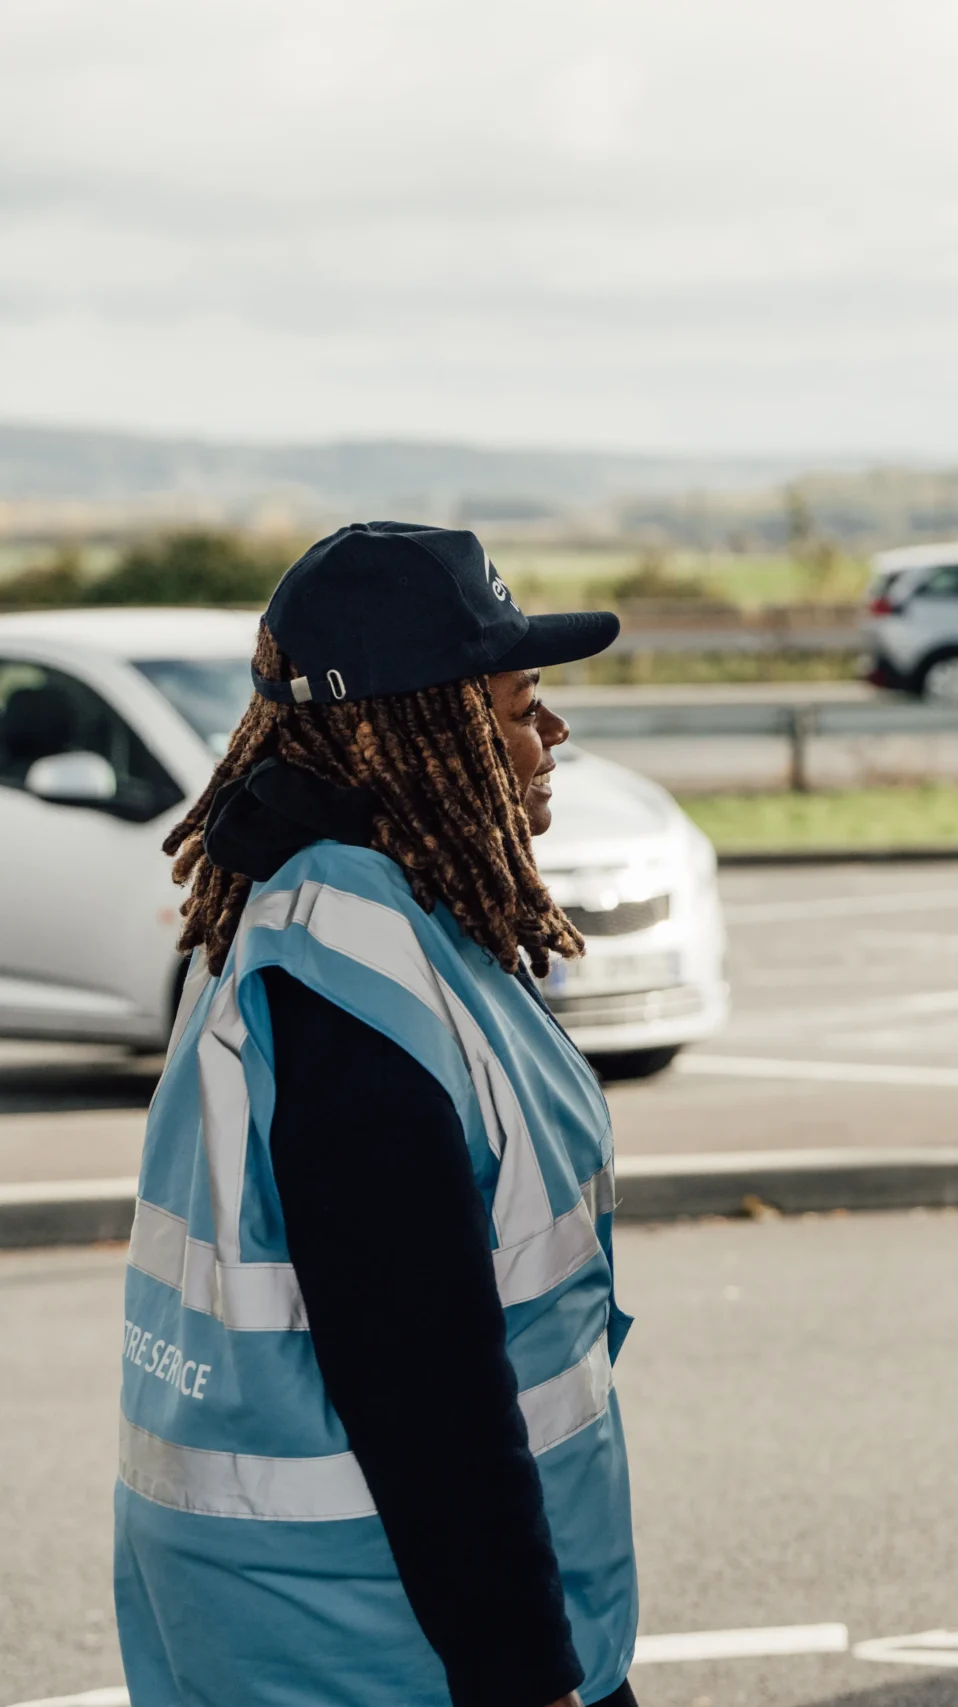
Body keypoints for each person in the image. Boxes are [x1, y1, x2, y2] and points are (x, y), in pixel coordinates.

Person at [115, 522, 642, 1707]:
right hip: (368, 1637)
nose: (550, 736)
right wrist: (526, 1676)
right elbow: (424, 1387)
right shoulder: (346, 989)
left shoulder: (367, 919)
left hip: (354, 1614)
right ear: (420, 731)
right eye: (518, 705)